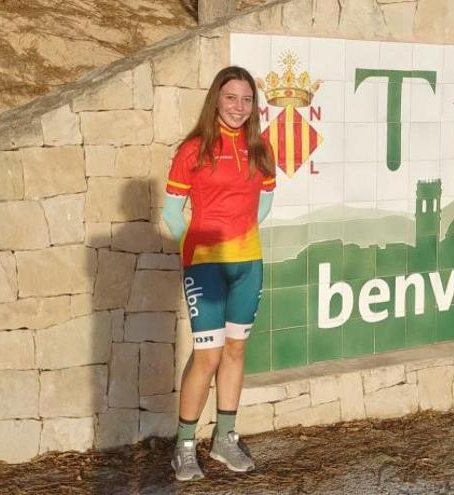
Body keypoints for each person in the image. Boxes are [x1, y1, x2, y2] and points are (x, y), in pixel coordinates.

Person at [162, 65, 276, 481]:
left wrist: (240, 234)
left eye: (247, 100)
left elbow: (265, 204)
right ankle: (185, 446)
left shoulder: (261, 149)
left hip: (248, 264)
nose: (239, 107)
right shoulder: (193, 149)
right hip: (205, 266)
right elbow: (172, 214)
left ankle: (225, 437)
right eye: (231, 98)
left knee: (235, 351)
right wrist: (196, 248)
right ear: (216, 99)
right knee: (207, 356)